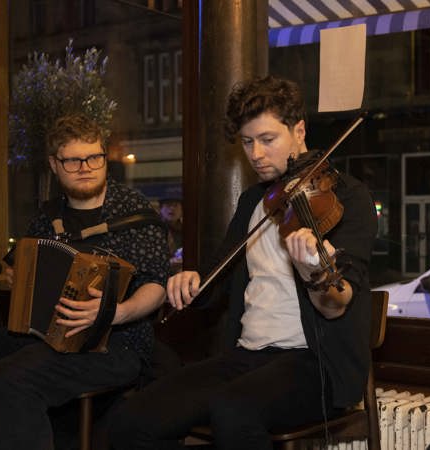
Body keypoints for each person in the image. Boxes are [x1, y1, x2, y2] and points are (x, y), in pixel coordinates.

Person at [108, 75, 377, 449]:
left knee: (232, 410)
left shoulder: (347, 198)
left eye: (267, 140)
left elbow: (337, 304)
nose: (256, 154)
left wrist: (312, 269)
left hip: (315, 364)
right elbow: (218, 276)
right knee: (132, 419)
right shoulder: (254, 202)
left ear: (299, 130)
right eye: (248, 142)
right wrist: (192, 282)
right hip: (246, 356)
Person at [0, 114, 170, 450]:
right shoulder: (47, 216)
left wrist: (116, 312)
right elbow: (20, 265)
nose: (86, 167)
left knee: (12, 378)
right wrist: (17, 277)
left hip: (116, 344)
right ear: (54, 164)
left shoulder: (134, 213)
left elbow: (156, 285)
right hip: (40, 336)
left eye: (94, 157)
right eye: (72, 160)